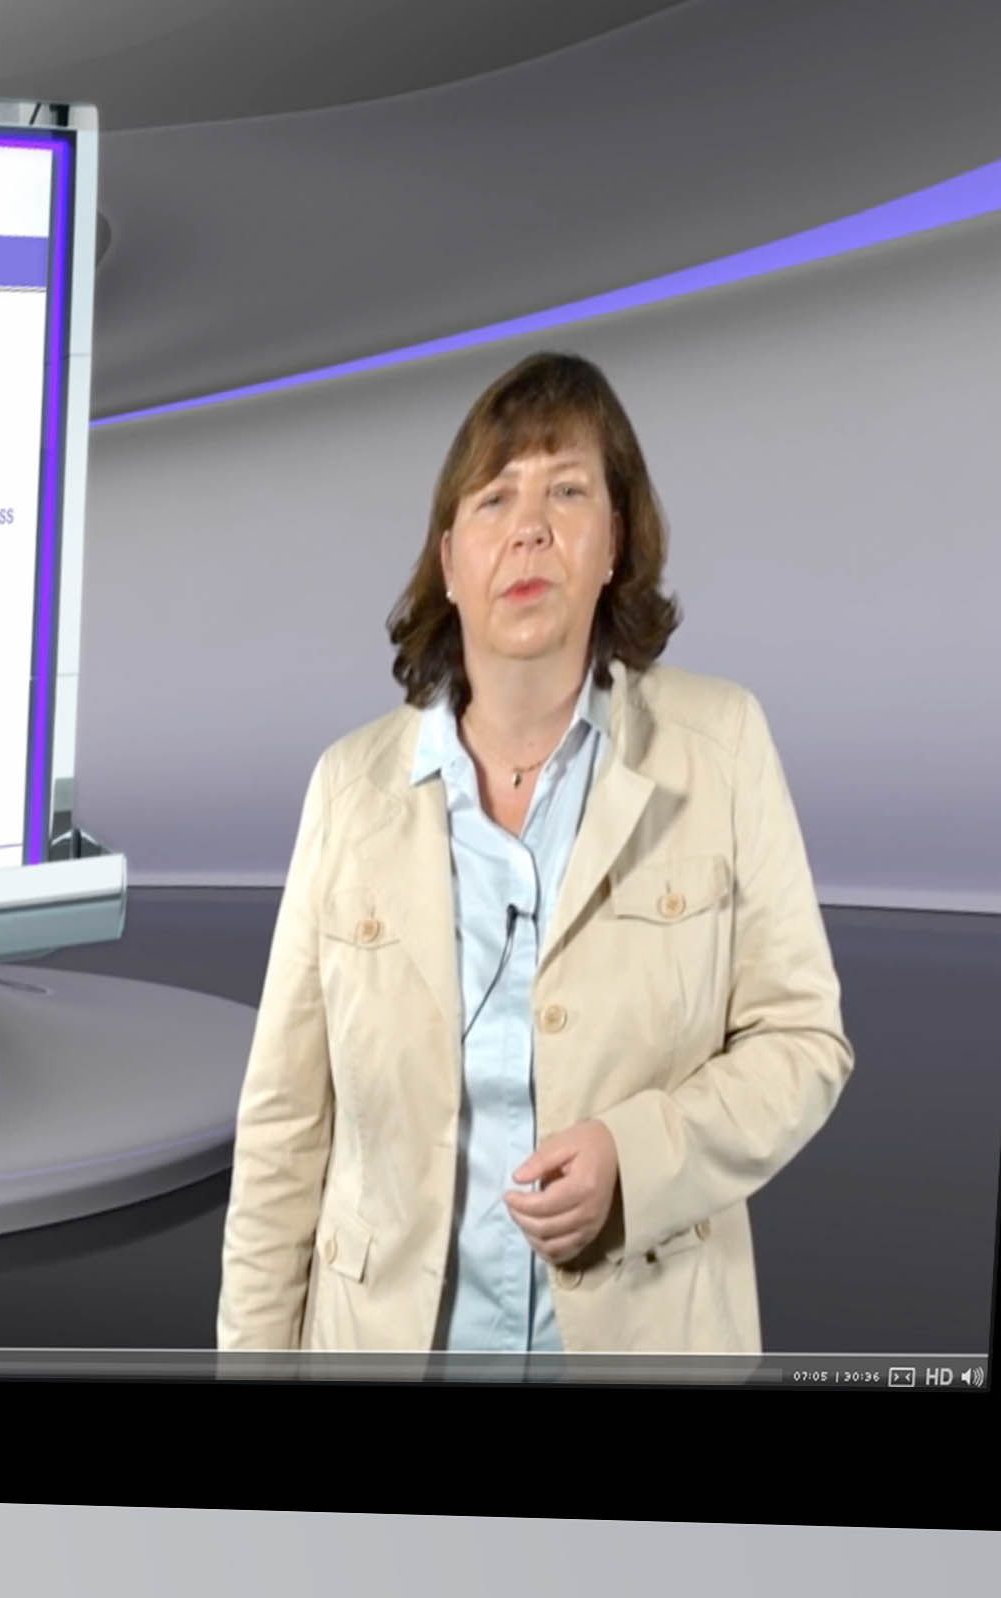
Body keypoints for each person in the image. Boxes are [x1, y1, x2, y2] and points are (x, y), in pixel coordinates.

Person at [216, 351, 850, 1356]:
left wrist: (636, 1158)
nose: (530, 528)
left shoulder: (722, 745)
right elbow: (284, 1133)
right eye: (494, 498)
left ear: (614, 544)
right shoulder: (348, 789)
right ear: (449, 560)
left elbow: (804, 1042)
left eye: (567, 491)